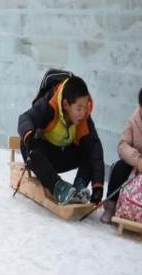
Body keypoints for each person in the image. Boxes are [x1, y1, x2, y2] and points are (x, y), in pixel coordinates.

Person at [18, 73, 105, 204]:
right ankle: (58, 187)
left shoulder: (83, 117)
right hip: (43, 160)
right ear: (65, 104)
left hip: (62, 155)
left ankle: (80, 185)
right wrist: (29, 137)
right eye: (79, 108)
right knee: (28, 146)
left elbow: (94, 147)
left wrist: (98, 186)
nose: (83, 113)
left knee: (89, 148)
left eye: (85, 107)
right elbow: (25, 118)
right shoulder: (48, 105)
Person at [102, 79, 142, 223]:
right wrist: (137, 160)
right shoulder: (134, 121)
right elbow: (122, 145)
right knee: (119, 168)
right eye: (141, 107)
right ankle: (110, 206)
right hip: (133, 165)